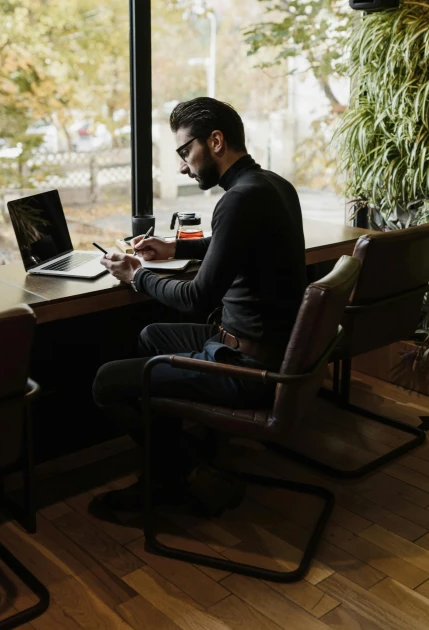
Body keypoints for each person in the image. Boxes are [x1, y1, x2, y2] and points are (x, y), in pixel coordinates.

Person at [91, 97, 307, 513]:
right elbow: (234, 242)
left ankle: (175, 472)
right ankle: (175, 469)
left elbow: (196, 298)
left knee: (105, 382)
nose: (182, 165)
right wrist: (173, 244)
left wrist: (136, 275)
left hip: (245, 368)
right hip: (269, 349)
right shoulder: (273, 186)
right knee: (151, 336)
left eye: (184, 151)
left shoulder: (238, 199)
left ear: (216, 141)